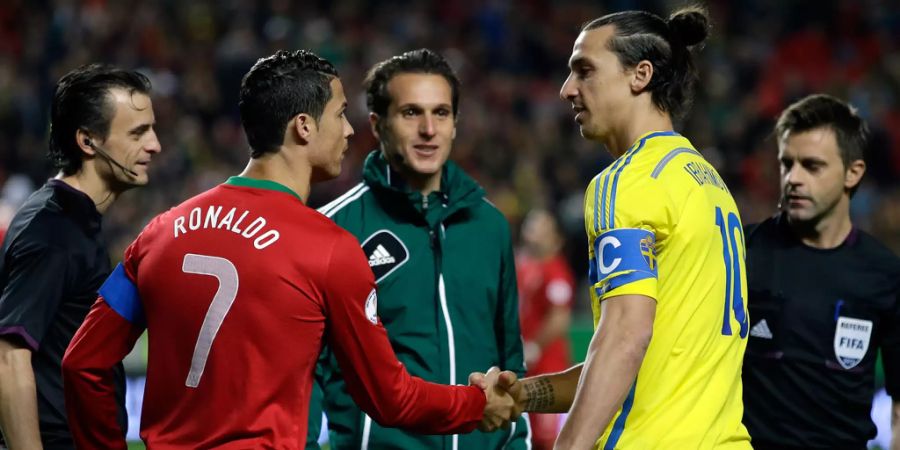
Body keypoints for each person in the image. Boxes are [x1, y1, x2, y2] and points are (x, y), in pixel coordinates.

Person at [61, 49, 515, 449]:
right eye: (339, 115)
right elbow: (389, 398)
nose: (350, 132)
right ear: (304, 127)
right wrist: (476, 404)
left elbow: (83, 363)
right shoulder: (329, 247)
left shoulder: (160, 232)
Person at [472, 7, 753, 449]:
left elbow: (625, 334)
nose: (567, 90)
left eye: (584, 70)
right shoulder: (708, 183)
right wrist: (524, 395)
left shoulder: (626, 182)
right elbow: (640, 360)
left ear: (640, 75)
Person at [307, 48, 530, 450]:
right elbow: (307, 374)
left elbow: (510, 362)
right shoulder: (331, 229)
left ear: (455, 124)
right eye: (411, 113)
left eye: (441, 113)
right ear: (378, 124)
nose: (429, 129)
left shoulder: (490, 226)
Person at [0, 64, 160, 449]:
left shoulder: (76, 219)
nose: (154, 145)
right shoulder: (51, 230)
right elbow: (9, 357)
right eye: (138, 133)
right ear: (88, 142)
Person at [742, 94, 900, 450]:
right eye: (787, 164)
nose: (793, 178)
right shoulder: (743, 252)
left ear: (853, 172)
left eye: (811, 166)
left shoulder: (884, 275)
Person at [515, 208, 575, 450]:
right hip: (524, 367)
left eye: (541, 228)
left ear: (556, 239)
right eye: (531, 226)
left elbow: (560, 317)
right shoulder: (522, 266)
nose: (534, 233)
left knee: (547, 438)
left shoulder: (556, 271)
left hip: (549, 370)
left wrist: (534, 346)